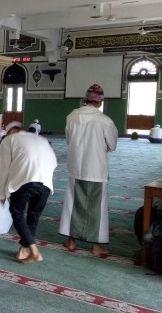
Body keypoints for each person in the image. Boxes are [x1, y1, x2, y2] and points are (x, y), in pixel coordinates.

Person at [59, 84, 118, 256]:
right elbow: (112, 145)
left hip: (75, 167)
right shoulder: (105, 121)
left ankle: (71, 242)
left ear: (85, 100)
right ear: (100, 102)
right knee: (96, 207)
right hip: (96, 169)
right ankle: (96, 246)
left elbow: (69, 140)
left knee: (73, 204)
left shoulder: (72, 116)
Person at [0, 121, 57, 263]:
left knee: (17, 213)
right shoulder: (40, 139)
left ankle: (35, 252)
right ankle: (22, 251)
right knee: (33, 217)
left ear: (10, 132)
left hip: (25, 181)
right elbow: (54, 162)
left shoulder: (9, 140)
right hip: (46, 183)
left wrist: (1, 193)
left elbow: (2, 169)